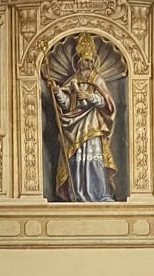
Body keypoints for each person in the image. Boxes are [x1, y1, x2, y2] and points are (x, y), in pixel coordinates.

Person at [50, 34, 118, 202]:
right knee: (77, 162)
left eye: (89, 61)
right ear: (78, 62)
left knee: (93, 161)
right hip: (75, 127)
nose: (87, 64)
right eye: (84, 61)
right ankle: (78, 195)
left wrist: (89, 96)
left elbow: (106, 103)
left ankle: (99, 194)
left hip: (92, 125)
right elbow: (67, 106)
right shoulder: (72, 81)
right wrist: (58, 91)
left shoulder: (97, 80)